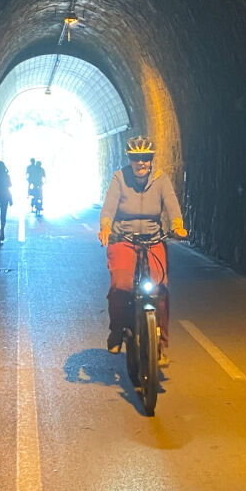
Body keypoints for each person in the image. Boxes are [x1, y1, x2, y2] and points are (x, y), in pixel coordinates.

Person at [99, 136, 187, 366]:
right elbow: (109, 206)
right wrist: (106, 226)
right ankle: (117, 330)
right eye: (136, 158)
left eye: (145, 158)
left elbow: (171, 203)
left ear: (151, 159)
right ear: (130, 159)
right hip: (123, 239)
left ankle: (161, 344)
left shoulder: (160, 179)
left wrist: (177, 224)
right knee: (120, 285)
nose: (141, 163)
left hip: (153, 239)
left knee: (160, 289)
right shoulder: (119, 178)